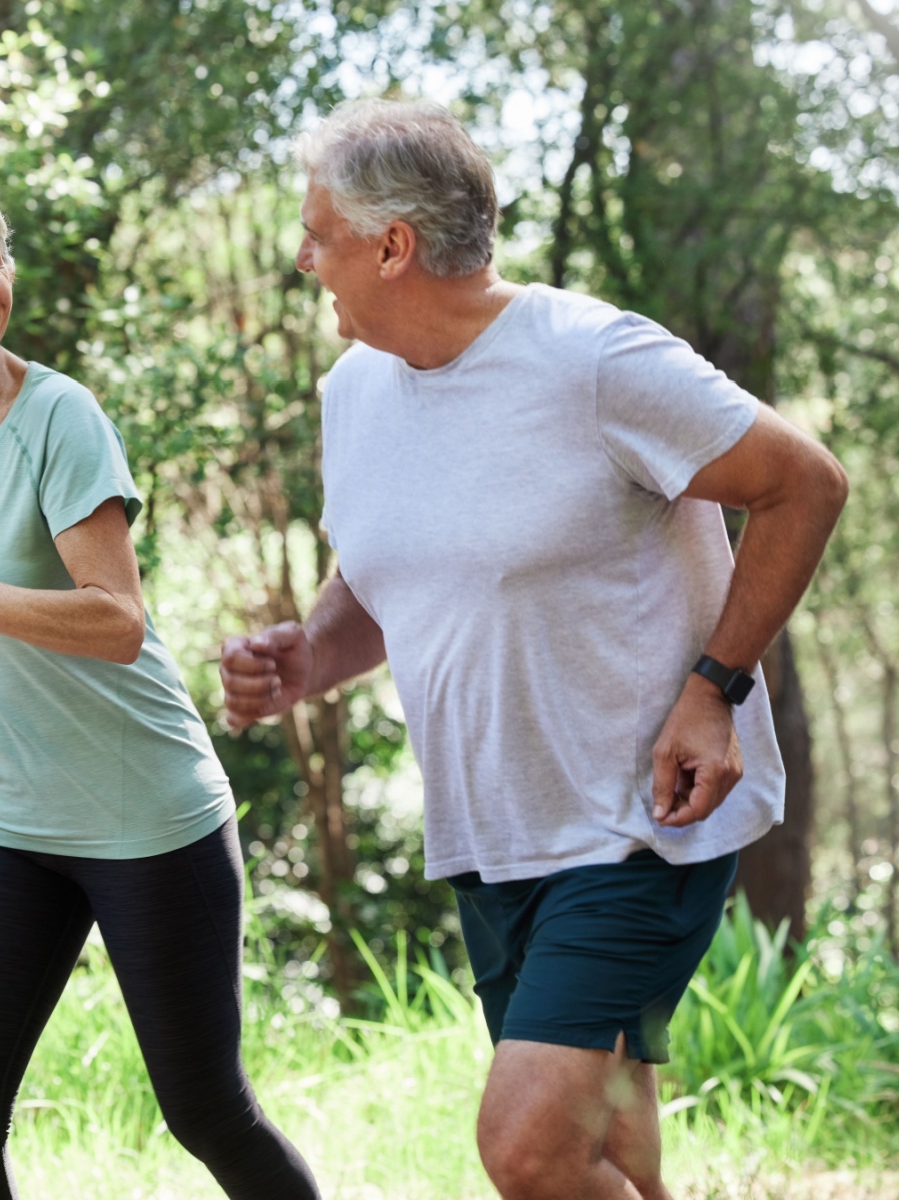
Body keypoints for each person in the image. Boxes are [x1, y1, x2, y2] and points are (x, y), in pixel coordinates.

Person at [220, 99, 848, 1200]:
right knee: (611, 1152)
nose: (305, 258)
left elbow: (805, 484)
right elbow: (396, 574)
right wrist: (304, 659)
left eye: (317, 234)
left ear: (392, 246)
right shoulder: (356, 389)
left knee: (528, 1150)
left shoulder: (593, 360)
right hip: (495, 831)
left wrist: (715, 689)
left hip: (639, 817)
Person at [0, 171, 321, 1200]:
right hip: (11, 809)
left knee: (204, 1110)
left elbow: (115, 623)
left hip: (147, 812)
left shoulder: (59, 417)